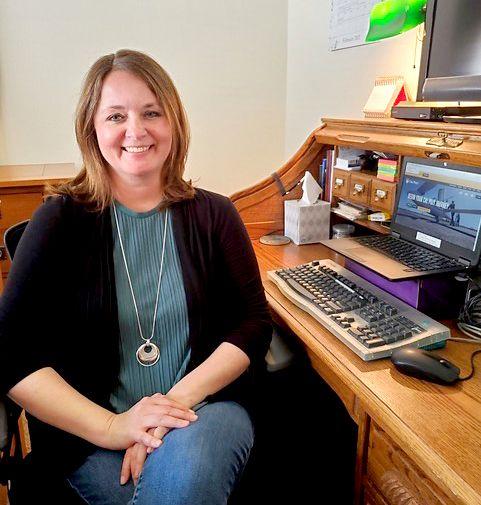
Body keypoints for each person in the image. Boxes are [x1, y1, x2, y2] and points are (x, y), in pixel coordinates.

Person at [0, 49, 272, 504]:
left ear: (174, 123)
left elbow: (252, 324)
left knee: (186, 482)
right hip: (93, 432)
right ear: (92, 129)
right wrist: (115, 426)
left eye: (151, 112)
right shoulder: (58, 222)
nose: (136, 130)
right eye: (116, 116)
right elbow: (9, 352)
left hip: (203, 414)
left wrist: (167, 409)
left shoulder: (216, 214)